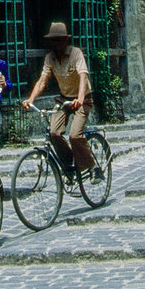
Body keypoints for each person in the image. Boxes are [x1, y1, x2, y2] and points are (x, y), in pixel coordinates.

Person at [22, 21, 97, 174]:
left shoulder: (76, 53)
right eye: (53, 41)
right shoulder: (50, 58)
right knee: (54, 132)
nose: (56, 44)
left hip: (82, 99)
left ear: (66, 40)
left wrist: (81, 99)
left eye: (59, 40)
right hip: (64, 99)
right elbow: (43, 81)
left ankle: (92, 167)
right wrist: (31, 99)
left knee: (75, 135)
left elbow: (83, 76)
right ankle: (69, 163)